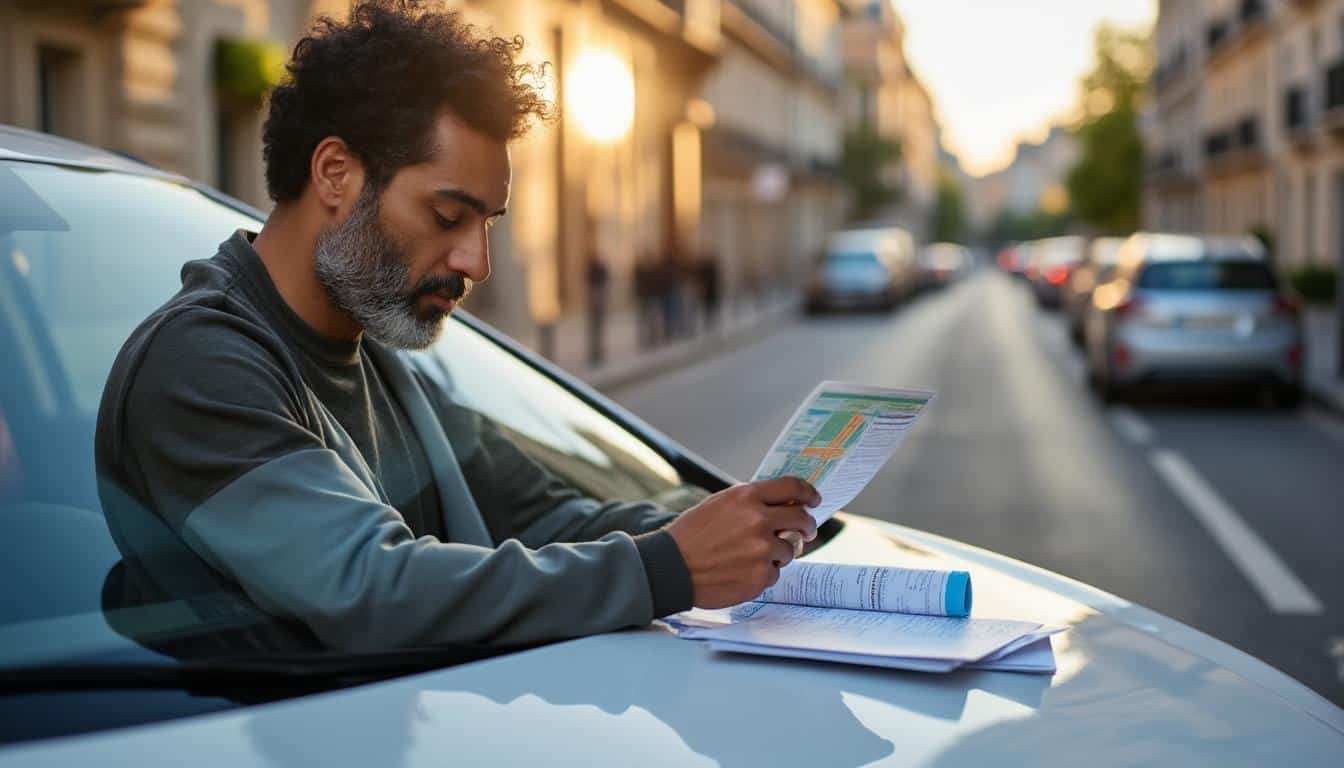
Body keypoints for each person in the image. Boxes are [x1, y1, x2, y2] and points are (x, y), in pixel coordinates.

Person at [94, 0, 817, 653]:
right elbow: (369, 586)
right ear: (336, 174)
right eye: (447, 216)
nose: (477, 262)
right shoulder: (200, 365)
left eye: (487, 223)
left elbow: (546, 515)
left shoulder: (375, 355)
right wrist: (668, 567)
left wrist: (737, 524)